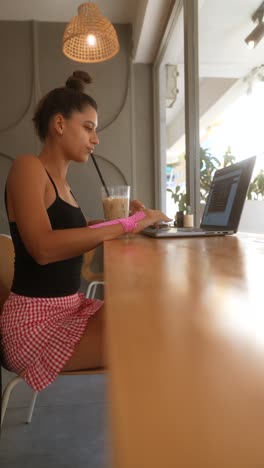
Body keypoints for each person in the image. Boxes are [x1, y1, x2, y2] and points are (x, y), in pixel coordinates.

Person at [0, 70, 171, 393]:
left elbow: (77, 231)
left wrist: (127, 222)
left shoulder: (63, 185)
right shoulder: (27, 168)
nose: (96, 139)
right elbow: (43, 247)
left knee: (153, 314)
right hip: (36, 326)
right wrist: (126, 225)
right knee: (152, 335)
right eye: (88, 128)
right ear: (60, 124)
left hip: (69, 309)